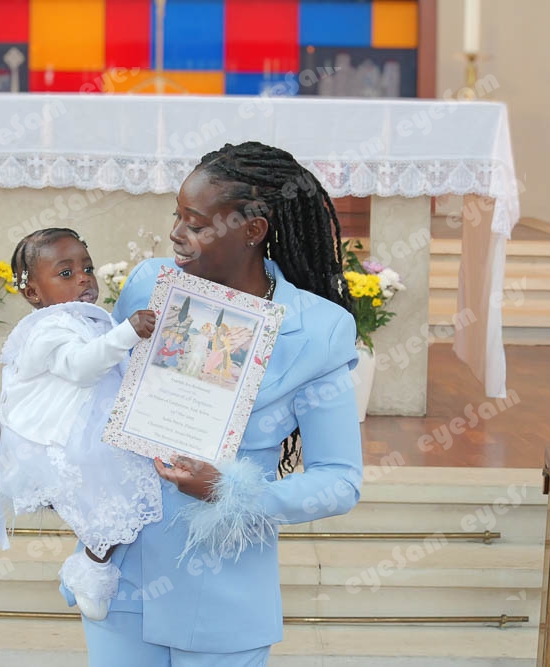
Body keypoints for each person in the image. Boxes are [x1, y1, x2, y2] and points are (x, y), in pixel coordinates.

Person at [64, 142, 364, 665]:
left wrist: (233, 492)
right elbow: (97, 395)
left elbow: (340, 480)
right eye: (177, 216)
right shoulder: (149, 284)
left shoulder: (320, 329)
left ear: (253, 230)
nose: (177, 234)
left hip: (222, 588)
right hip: (123, 575)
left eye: (197, 224)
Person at [0, 228, 162, 621]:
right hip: (67, 431)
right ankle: (91, 566)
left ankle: (94, 562)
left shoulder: (86, 317)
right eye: (66, 273)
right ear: (33, 293)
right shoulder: (48, 328)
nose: (84, 278)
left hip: (94, 419)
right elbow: (81, 366)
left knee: (123, 497)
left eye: (87, 268)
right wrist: (127, 333)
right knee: (111, 490)